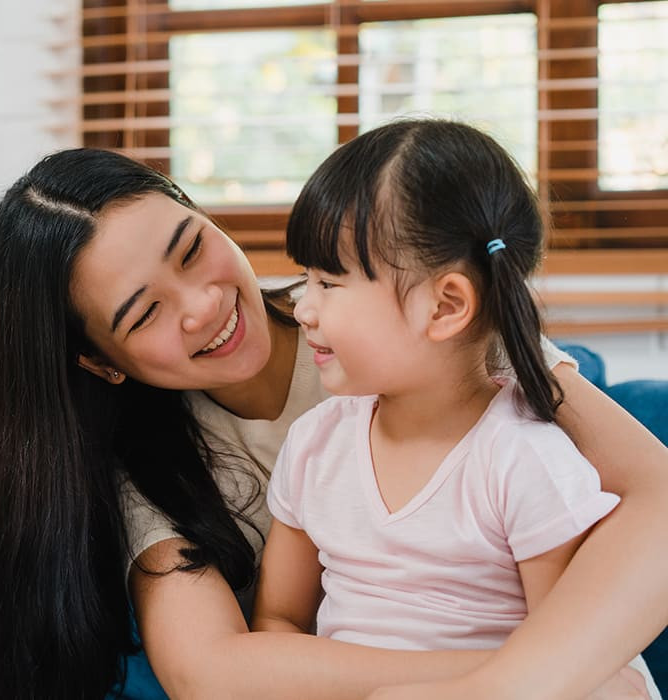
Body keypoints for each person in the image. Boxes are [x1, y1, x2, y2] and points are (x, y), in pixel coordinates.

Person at [0, 143, 668, 700]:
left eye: (189, 249)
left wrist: (531, 681)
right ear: (98, 361)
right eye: (145, 313)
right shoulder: (151, 471)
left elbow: (658, 496)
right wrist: (506, 678)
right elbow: (211, 675)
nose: (203, 304)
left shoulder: (404, 311)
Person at [251, 119, 660, 698]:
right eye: (304, 278)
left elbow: (572, 660)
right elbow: (279, 622)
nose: (303, 308)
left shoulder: (522, 457)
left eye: (329, 283)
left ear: (445, 306)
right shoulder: (315, 443)